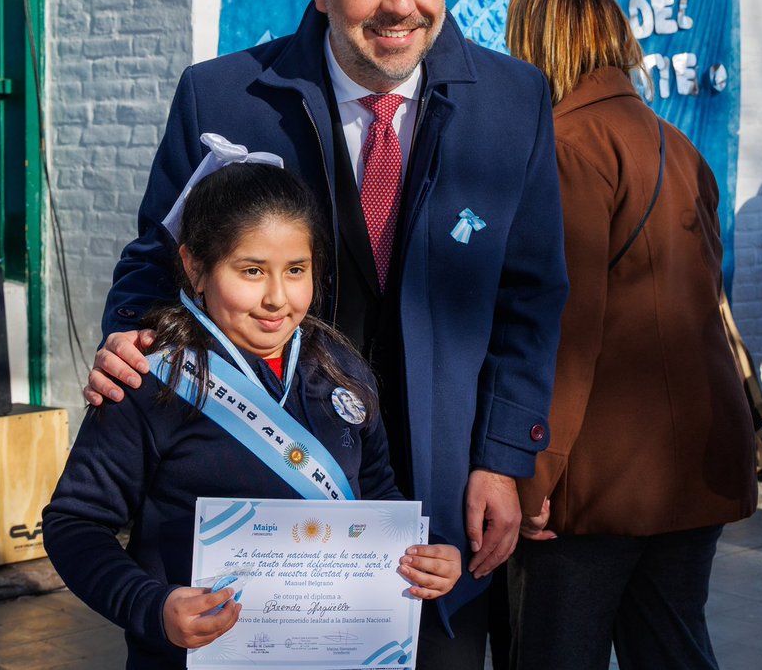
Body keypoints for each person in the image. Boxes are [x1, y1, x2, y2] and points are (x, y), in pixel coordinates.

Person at [81, 0, 567, 666]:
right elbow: (156, 260)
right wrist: (130, 341)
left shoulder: (515, 102)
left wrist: (504, 459)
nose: (399, 4)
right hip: (262, 506)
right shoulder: (223, 99)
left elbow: (532, 298)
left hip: (438, 503)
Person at [43, 162, 462, 669]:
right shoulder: (149, 382)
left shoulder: (343, 372)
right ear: (194, 266)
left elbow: (377, 498)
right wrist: (150, 605)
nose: (276, 298)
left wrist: (428, 552)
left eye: (296, 270)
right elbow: (75, 522)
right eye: (251, 270)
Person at [503, 0, 757, 670]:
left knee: (557, 655)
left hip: (596, 480)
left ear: (539, 43)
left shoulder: (565, 145)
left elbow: (565, 333)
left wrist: (531, 476)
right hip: (690, 464)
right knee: (672, 650)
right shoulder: (675, 141)